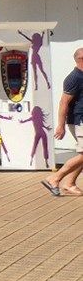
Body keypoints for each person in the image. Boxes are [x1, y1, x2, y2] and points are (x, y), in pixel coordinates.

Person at [46, 47, 83, 196]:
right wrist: (60, 126)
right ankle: (55, 178)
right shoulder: (74, 78)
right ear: (81, 60)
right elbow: (63, 103)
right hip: (79, 120)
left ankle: (69, 183)